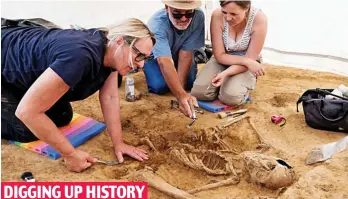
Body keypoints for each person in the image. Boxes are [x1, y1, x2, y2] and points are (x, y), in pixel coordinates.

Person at [1, 18, 156, 172]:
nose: (141, 64)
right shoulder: (80, 57)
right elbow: (27, 112)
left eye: (146, 58)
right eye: (139, 56)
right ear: (120, 41)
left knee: (62, 115)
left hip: (22, 67)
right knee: (26, 127)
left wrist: (119, 143)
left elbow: (110, 98)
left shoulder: (111, 52)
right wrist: (70, 154)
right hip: (4, 62)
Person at [191, 0, 267, 106]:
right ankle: (228, 84)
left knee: (230, 98)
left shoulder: (259, 19)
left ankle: (242, 83)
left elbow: (250, 59)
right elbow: (219, 55)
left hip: (246, 64)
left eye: (234, 14)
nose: (227, 18)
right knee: (199, 92)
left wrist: (225, 74)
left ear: (247, 7)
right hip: (224, 59)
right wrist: (247, 61)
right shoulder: (217, 15)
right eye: (224, 12)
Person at [144, 0, 205, 118]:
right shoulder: (156, 25)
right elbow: (164, 61)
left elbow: (186, 53)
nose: (183, 19)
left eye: (188, 13)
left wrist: (180, 90)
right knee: (159, 87)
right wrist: (181, 96)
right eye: (177, 14)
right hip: (156, 56)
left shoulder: (198, 16)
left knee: (190, 81)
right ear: (167, 8)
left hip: (178, 53)